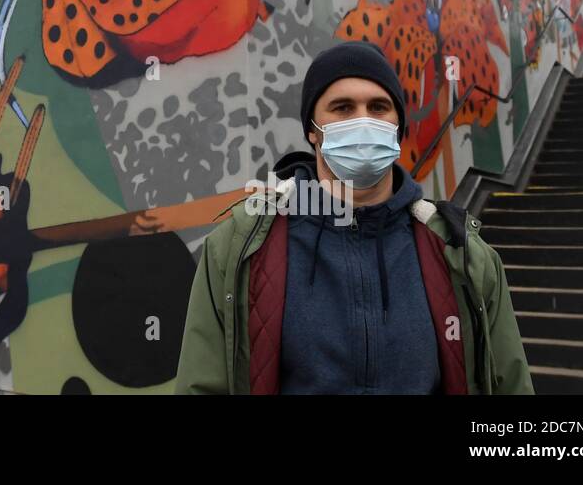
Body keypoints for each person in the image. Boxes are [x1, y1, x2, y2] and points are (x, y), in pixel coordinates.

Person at [175, 40, 532, 394]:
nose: (363, 121)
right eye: (343, 108)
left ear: (397, 126)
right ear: (313, 130)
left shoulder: (461, 253)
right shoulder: (241, 249)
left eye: (378, 107)